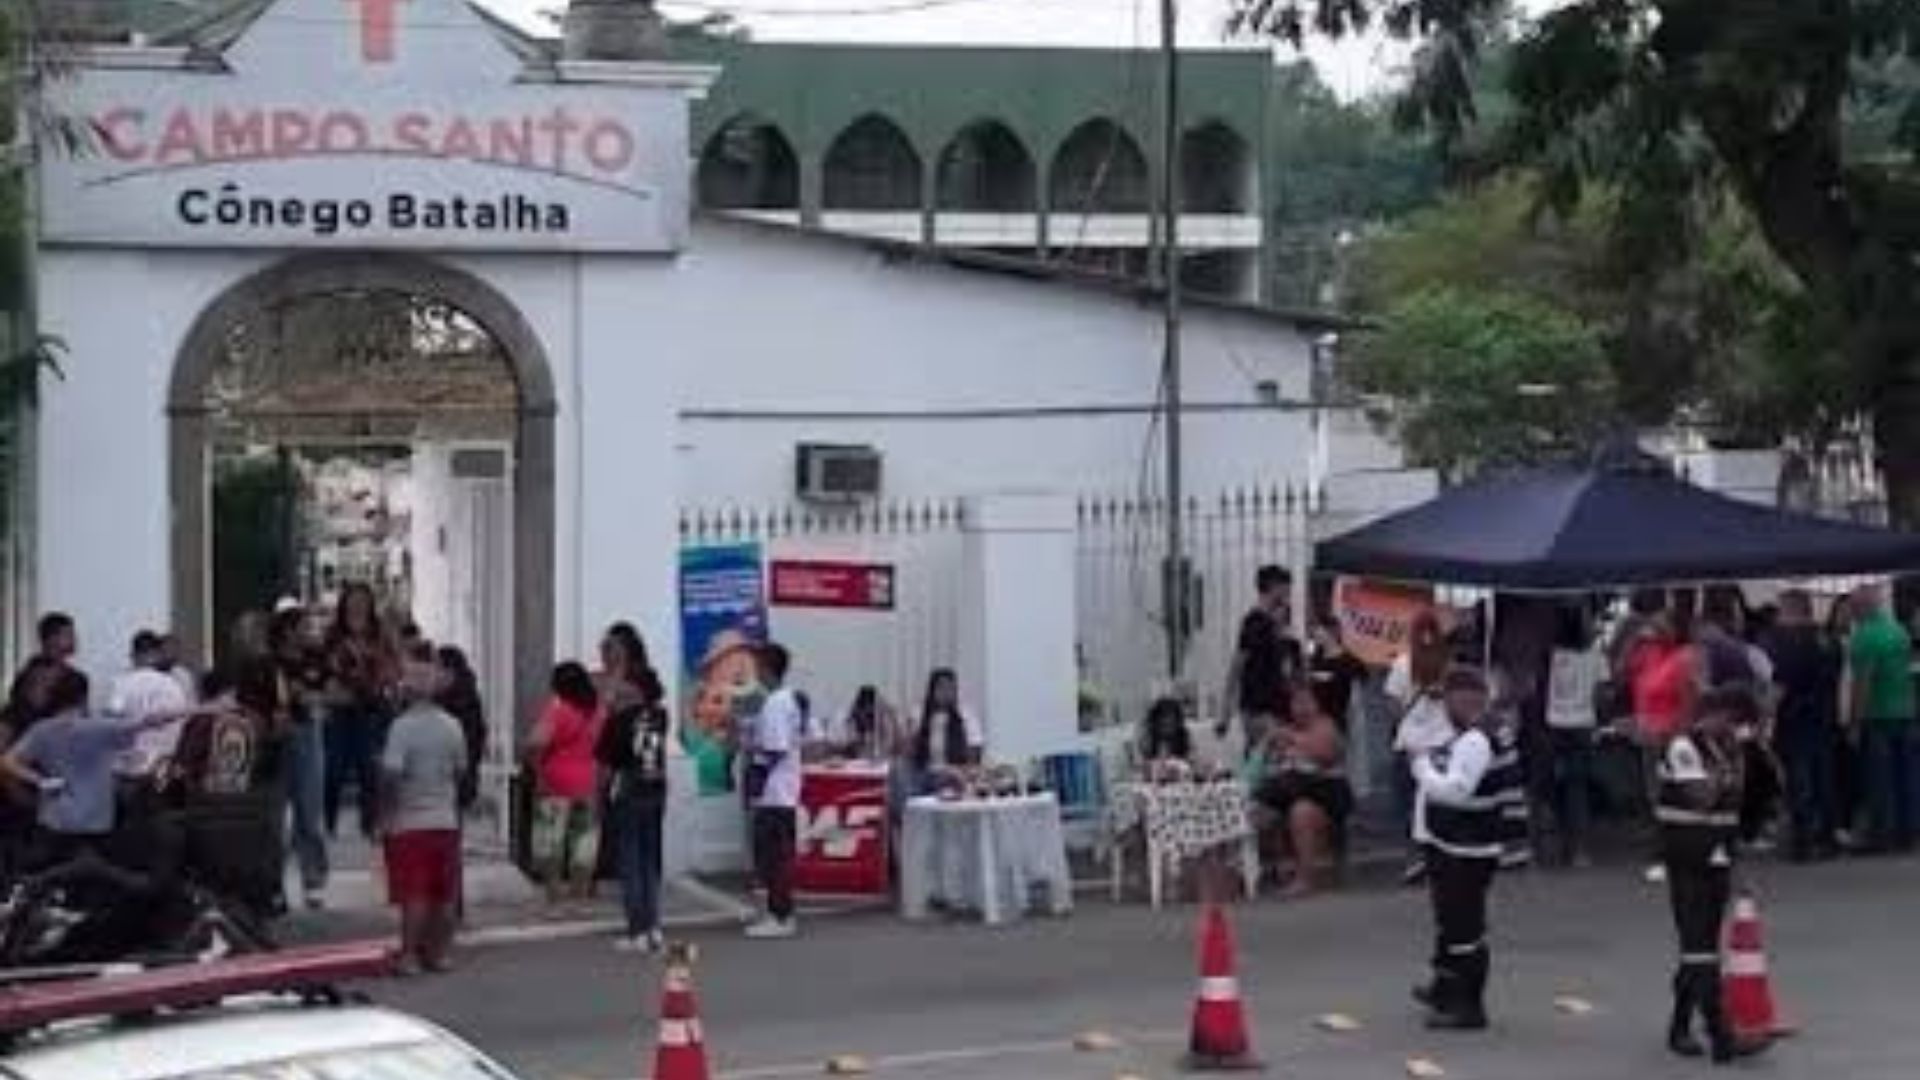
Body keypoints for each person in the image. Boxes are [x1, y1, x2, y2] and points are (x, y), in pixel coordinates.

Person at [1410, 666, 1525, 1032]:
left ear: (1465, 698)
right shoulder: (1483, 730)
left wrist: (1422, 769)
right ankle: (1446, 990)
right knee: (1451, 924)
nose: (1444, 709)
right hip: (1458, 841)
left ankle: (1468, 1006)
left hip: (1467, 846)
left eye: (1448, 700)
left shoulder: (1477, 739)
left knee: (1464, 930)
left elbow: (1457, 790)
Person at [1656, 688, 1760, 1062]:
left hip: (1717, 858)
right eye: (1734, 722)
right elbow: (1701, 796)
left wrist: (1736, 764)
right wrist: (1727, 772)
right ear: (1716, 714)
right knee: (1699, 950)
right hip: (1686, 859)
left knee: (1700, 950)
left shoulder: (1727, 751)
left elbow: (1738, 804)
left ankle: (1679, 1027)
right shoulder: (1683, 746)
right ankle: (1722, 1035)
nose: (1737, 731)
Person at [0, 668, 185, 868]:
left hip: (54, 819)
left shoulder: (42, 730)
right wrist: (194, 710)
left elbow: (7, 761)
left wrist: (39, 780)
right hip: (95, 821)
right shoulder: (100, 728)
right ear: (83, 697)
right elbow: (150, 722)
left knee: (48, 874)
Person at [171, 660, 289, 920]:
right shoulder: (255, 719)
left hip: (207, 811)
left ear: (204, 691)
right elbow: (267, 762)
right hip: (250, 812)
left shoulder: (201, 719)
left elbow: (181, 769)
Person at [378, 646, 470, 975]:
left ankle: (409, 956)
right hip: (445, 820)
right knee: (444, 893)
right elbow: (461, 770)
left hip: (410, 821)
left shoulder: (401, 728)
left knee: (414, 893)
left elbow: (391, 774)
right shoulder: (453, 726)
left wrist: (384, 814)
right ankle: (439, 953)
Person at [595, 630, 670, 953]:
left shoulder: (619, 720)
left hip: (627, 787)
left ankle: (637, 930)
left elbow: (606, 763)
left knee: (630, 861)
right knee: (650, 860)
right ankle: (653, 928)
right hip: (655, 786)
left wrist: (598, 798)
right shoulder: (659, 715)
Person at [1764, 590, 1841, 861]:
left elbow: (1780, 683)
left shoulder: (1788, 642)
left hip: (1795, 717)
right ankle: (1827, 837)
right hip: (1824, 715)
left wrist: (1767, 714)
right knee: (1824, 779)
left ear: (1791, 609)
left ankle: (1802, 841)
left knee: (1799, 781)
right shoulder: (1827, 639)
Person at [1255, 685, 1352, 897]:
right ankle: (1273, 870)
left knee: (1302, 812)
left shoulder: (1326, 727)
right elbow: (1265, 766)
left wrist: (1292, 740)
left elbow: (1325, 753)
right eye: (1296, 703)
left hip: (1326, 796)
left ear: (1316, 705)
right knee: (1261, 811)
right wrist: (1271, 748)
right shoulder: (1286, 731)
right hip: (1289, 792)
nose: (1300, 709)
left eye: (1305, 702)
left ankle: (1306, 878)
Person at [1847, 583, 1917, 852]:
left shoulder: (1864, 637)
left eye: (1853, 606)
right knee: (1907, 777)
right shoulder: (1898, 630)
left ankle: (1883, 835)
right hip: (1906, 711)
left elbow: (1862, 683)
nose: (1851, 611)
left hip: (1878, 715)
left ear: (1861, 607)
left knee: (1880, 780)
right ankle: (1909, 832)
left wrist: (1855, 722)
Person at [270, 605, 332, 909]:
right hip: (276, 737)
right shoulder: (270, 661)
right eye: (304, 627)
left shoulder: (316, 658)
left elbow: (330, 693)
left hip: (307, 731)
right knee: (274, 816)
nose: (310, 632)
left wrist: (313, 698)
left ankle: (313, 880)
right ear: (288, 631)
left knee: (309, 810)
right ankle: (273, 884)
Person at [325, 583, 397, 840]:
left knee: (369, 768)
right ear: (344, 604)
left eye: (363, 601)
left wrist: (381, 679)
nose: (357, 606)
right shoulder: (333, 635)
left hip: (370, 709)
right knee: (333, 769)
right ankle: (329, 823)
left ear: (370, 605)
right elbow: (324, 668)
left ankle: (369, 825)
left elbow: (392, 667)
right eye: (353, 600)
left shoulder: (380, 634)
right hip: (339, 709)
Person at [1387, 610, 1454, 883]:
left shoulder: (1402, 664)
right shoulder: (1448, 666)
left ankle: (1414, 858)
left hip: (1410, 746)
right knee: (1439, 805)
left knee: (1408, 806)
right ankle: (1440, 856)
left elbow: (1393, 706)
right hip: (1443, 746)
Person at [528, 661, 602, 902]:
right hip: (587, 782)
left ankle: (554, 894)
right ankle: (579, 893)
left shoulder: (558, 711)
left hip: (554, 784)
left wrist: (536, 765)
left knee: (551, 840)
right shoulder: (597, 712)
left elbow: (536, 742)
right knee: (584, 841)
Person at [744, 642, 804, 939]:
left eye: (757, 666)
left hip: (776, 792)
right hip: (781, 791)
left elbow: (776, 749)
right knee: (772, 855)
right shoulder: (781, 700)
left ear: (767, 669)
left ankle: (780, 915)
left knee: (773, 857)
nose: (754, 672)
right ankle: (777, 911)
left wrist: (757, 777)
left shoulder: (776, 703)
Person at [1542, 609, 1606, 868]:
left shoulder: (1551, 655)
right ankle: (1579, 849)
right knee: (1578, 787)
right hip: (1582, 725)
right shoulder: (1595, 656)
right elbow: (1602, 693)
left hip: (1553, 724)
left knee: (1550, 784)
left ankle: (1558, 839)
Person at [1223, 565, 1303, 756]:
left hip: (1276, 705)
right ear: (1273, 587)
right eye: (1285, 587)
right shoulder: (1255, 623)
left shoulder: (1275, 627)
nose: (1288, 593)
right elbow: (1238, 664)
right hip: (1258, 705)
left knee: (1272, 756)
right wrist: (1226, 709)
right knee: (1266, 755)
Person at [107, 629, 193, 782]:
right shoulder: (173, 685)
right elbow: (185, 723)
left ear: (134, 655)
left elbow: (112, 722)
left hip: (129, 766)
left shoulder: (121, 684)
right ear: (157, 654)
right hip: (163, 765)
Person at [434, 645, 488, 818]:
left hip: (451, 778)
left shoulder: (455, 702)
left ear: (450, 671)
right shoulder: (468, 696)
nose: (434, 674)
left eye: (437, 668)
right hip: (461, 777)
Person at [910, 668, 984, 788]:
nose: (946, 693)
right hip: (925, 772)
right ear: (932, 691)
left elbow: (975, 749)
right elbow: (910, 751)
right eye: (941, 688)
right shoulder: (919, 714)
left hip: (956, 773)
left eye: (951, 688)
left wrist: (963, 770)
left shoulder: (966, 714)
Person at [1307, 613, 1369, 735]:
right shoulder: (1314, 659)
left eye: (1318, 629)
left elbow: (1357, 700)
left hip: (1337, 723)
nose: (1314, 634)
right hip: (1314, 722)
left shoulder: (1350, 662)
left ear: (1332, 632)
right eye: (1314, 630)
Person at [840, 685, 900, 762]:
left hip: (876, 749)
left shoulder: (882, 711)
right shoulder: (858, 713)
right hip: (866, 751)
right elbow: (850, 729)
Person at [1139, 695, 1192, 764]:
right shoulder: (1148, 737)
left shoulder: (1184, 736)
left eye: (1171, 725)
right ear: (1155, 723)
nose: (1166, 730)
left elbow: (1193, 759)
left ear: (1178, 723)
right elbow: (1139, 762)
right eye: (1162, 725)